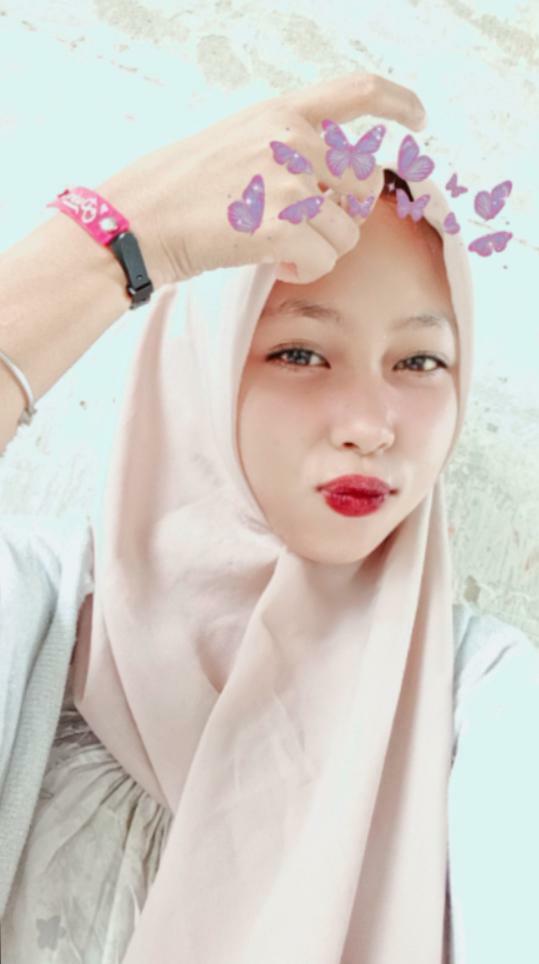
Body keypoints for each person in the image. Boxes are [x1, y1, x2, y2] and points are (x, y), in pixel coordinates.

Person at [0, 70, 538, 964]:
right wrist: (117, 234)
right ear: (196, 368)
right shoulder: (32, 615)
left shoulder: (481, 706)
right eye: (299, 352)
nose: (370, 425)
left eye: (419, 362)